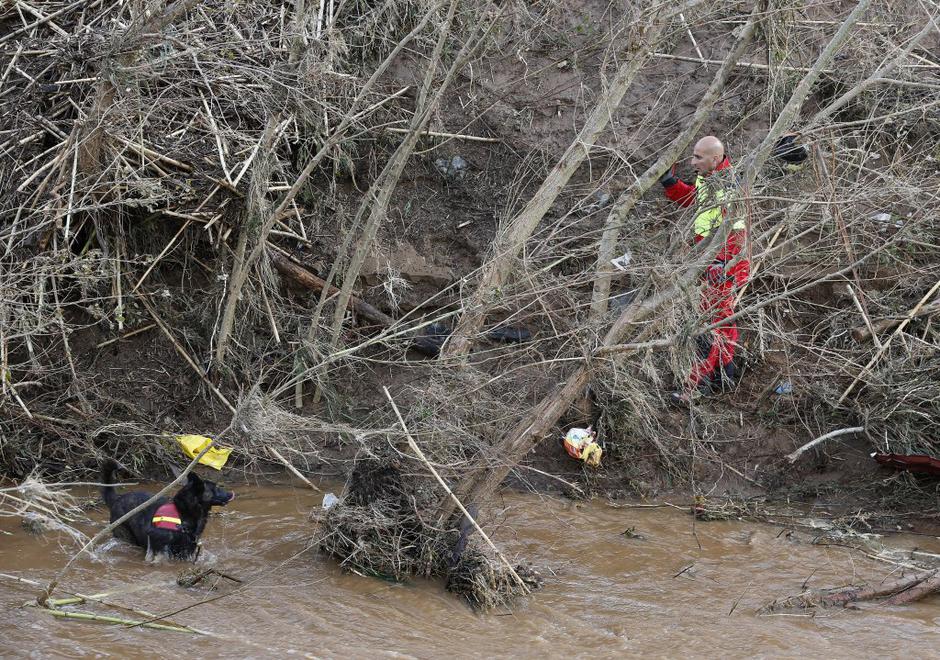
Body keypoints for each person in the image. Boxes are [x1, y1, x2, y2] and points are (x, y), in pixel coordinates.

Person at [658, 136, 749, 405]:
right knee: (718, 323)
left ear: (715, 159)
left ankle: (697, 384)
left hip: (725, 267)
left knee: (716, 327)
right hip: (711, 264)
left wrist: (721, 263)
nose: (692, 161)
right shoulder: (708, 178)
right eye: (693, 155)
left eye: (698, 157)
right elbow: (696, 202)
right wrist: (671, 184)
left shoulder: (730, 189)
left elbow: (737, 235)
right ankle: (726, 376)